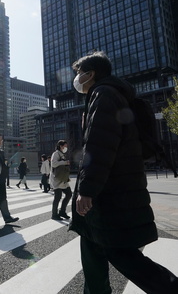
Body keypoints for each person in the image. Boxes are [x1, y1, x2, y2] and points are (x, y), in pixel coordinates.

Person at [69, 51, 178, 293]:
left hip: (110, 193)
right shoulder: (111, 94)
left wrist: (87, 190)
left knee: (121, 255)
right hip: (113, 190)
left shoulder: (104, 94)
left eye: (78, 74)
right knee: (92, 249)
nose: (76, 79)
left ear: (91, 74)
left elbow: (101, 145)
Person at [49, 140, 71, 220]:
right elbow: (54, 164)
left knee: (69, 194)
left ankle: (62, 211)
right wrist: (64, 162)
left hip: (63, 179)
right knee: (57, 197)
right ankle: (54, 214)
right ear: (61, 146)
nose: (66, 148)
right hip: (56, 179)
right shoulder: (56, 154)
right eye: (65, 146)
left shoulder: (62, 154)